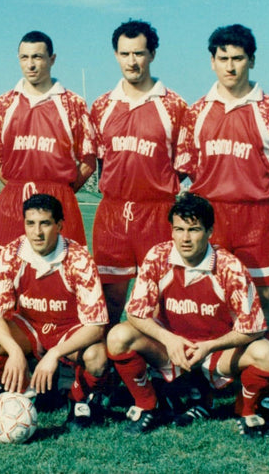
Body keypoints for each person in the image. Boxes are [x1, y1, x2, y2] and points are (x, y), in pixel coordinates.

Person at [106, 192, 269, 437]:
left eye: (194, 230)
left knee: (267, 353)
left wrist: (210, 346)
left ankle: (247, 412)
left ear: (210, 231)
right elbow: (135, 313)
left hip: (216, 351)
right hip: (172, 348)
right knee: (118, 336)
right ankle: (148, 405)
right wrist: (169, 339)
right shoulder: (158, 256)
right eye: (179, 229)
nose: (185, 238)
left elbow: (255, 327)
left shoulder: (229, 267)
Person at [175, 24, 269, 348]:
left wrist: (262, 204)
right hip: (210, 219)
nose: (231, 66)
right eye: (223, 58)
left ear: (252, 61)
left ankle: (264, 386)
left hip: (256, 219)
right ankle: (210, 373)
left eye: (239, 58)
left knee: (263, 299)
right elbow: (182, 167)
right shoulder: (197, 111)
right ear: (212, 62)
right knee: (205, 298)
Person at [0, 194, 109, 431]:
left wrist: (54, 353)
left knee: (96, 357)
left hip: (69, 331)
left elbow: (96, 326)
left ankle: (79, 396)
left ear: (59, 225)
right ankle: (26, 388)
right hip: (30, 328)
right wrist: (14, 351)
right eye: (30, 223)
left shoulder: (79, 259)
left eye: (45, 223)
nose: (37, 232)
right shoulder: (11, 254)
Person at [89, 20, 188, 324]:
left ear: (152, 54)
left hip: (157, 212)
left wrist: (155, 185)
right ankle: (103, 367)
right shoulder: (102, 105)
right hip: (113, 213)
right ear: (116, 55)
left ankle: (157, 366)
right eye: (125, 54)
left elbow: (184, 163)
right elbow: (101, 160)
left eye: (139, 53)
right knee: (109, 296)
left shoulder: (175, 106)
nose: (132, 61)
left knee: (159, 297)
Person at [0, 31, 96, 261]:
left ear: (52, 59)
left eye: (38, 57)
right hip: (14, 199)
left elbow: (89, 160)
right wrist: (18, 186)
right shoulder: (4, 103)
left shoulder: (73, 103)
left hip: (59, 199)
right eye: (25, 58)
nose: (31, 65)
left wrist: (61, 189)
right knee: (8, 278)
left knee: (63, 279)